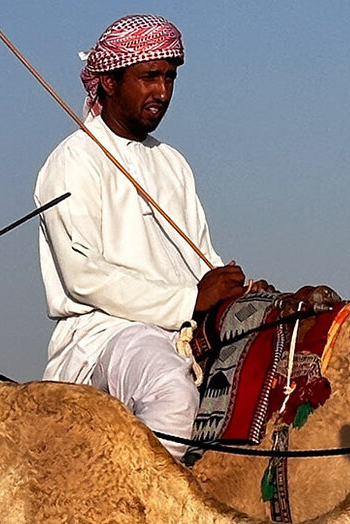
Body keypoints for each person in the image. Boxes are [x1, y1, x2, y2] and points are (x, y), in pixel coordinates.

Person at [34, 15, 251, 451]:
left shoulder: (173, 163)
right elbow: (84, 278)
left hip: (181, 330)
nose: (163, 92)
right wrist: (189, 300)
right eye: (149, 77)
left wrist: (234, 292)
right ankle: (139, 496)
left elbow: (200, 260)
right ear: (109, 82)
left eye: (170, 78)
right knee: (173, 397)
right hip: (104, 334)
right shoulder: (74, 160)